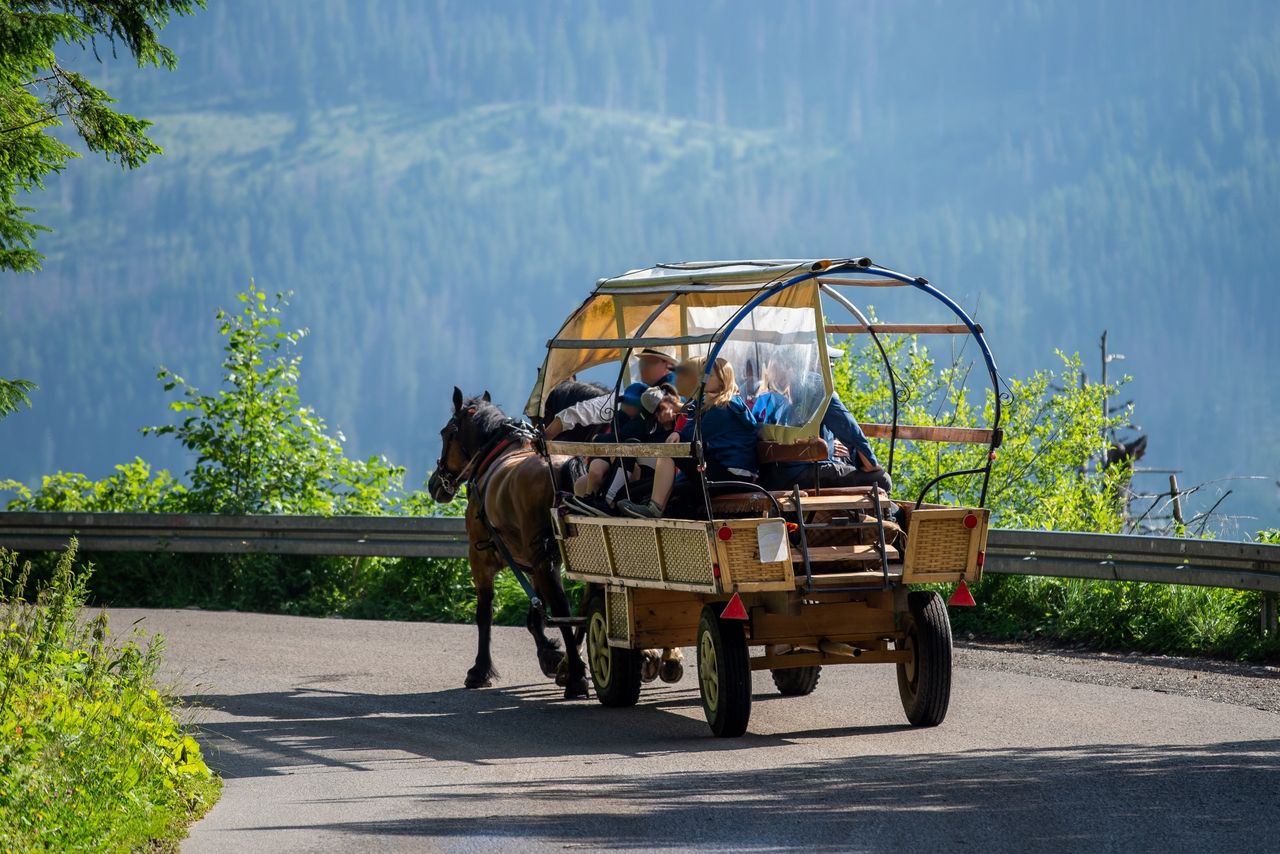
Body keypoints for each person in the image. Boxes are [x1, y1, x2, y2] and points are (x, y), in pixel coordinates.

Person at [617, 357, 759, 519]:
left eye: (709, 375)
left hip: (734, 476)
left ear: (722, 379)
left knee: (671, 452)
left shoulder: (725, 407)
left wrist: (679, 433)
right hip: (721, 470)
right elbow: (691, 429)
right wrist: (679, 432)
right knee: (645, 489)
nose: (702, 379)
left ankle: (654, 509)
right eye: (702, 375)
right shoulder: (711, 404)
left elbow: (691, 437)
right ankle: (639, 507)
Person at [543, 347, 677, 438]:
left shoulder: (684, 393)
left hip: (657, 462)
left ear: (667, 366)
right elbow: (588, 410)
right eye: (642, 361)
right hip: (637, 461)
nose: (642, 366)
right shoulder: (634, 392)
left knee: (596, 474)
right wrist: (550, 432)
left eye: (650, 361)